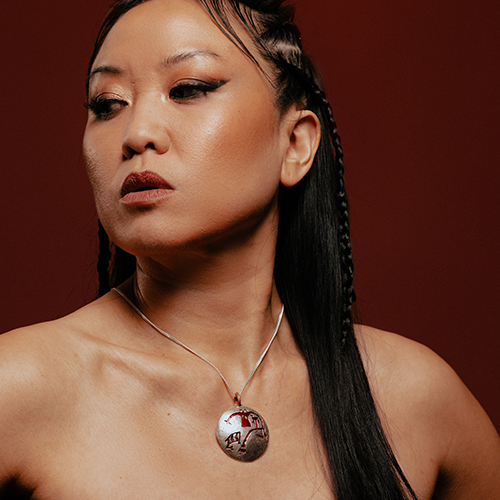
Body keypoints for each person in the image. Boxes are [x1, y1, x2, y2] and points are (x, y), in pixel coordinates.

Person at [0, 0, 499, 498]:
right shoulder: (18, 388)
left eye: (189, 89)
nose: (137, 134)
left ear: (295, 144)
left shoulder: (410, 396)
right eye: (107, 104)